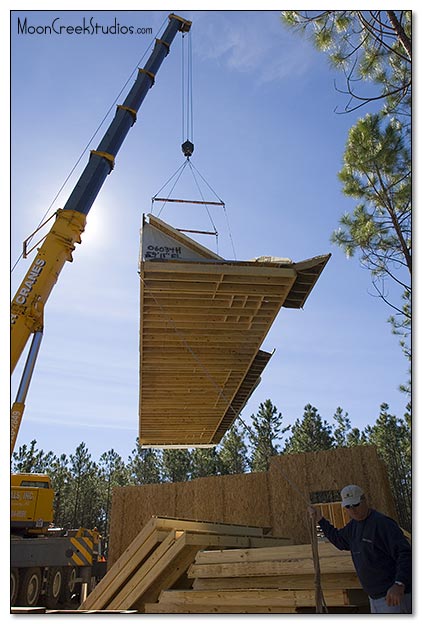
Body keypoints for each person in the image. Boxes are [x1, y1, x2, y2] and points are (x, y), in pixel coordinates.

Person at [308, 484, 411, 614]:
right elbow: (339, 540)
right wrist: (320, 519)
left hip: (394, 597)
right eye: (348, 506)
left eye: (356, 504)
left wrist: (399, 584)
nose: (353, 510)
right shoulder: (353, 527)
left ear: (364, 500)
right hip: (374, 598)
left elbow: (405, 554)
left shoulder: (382, 524)